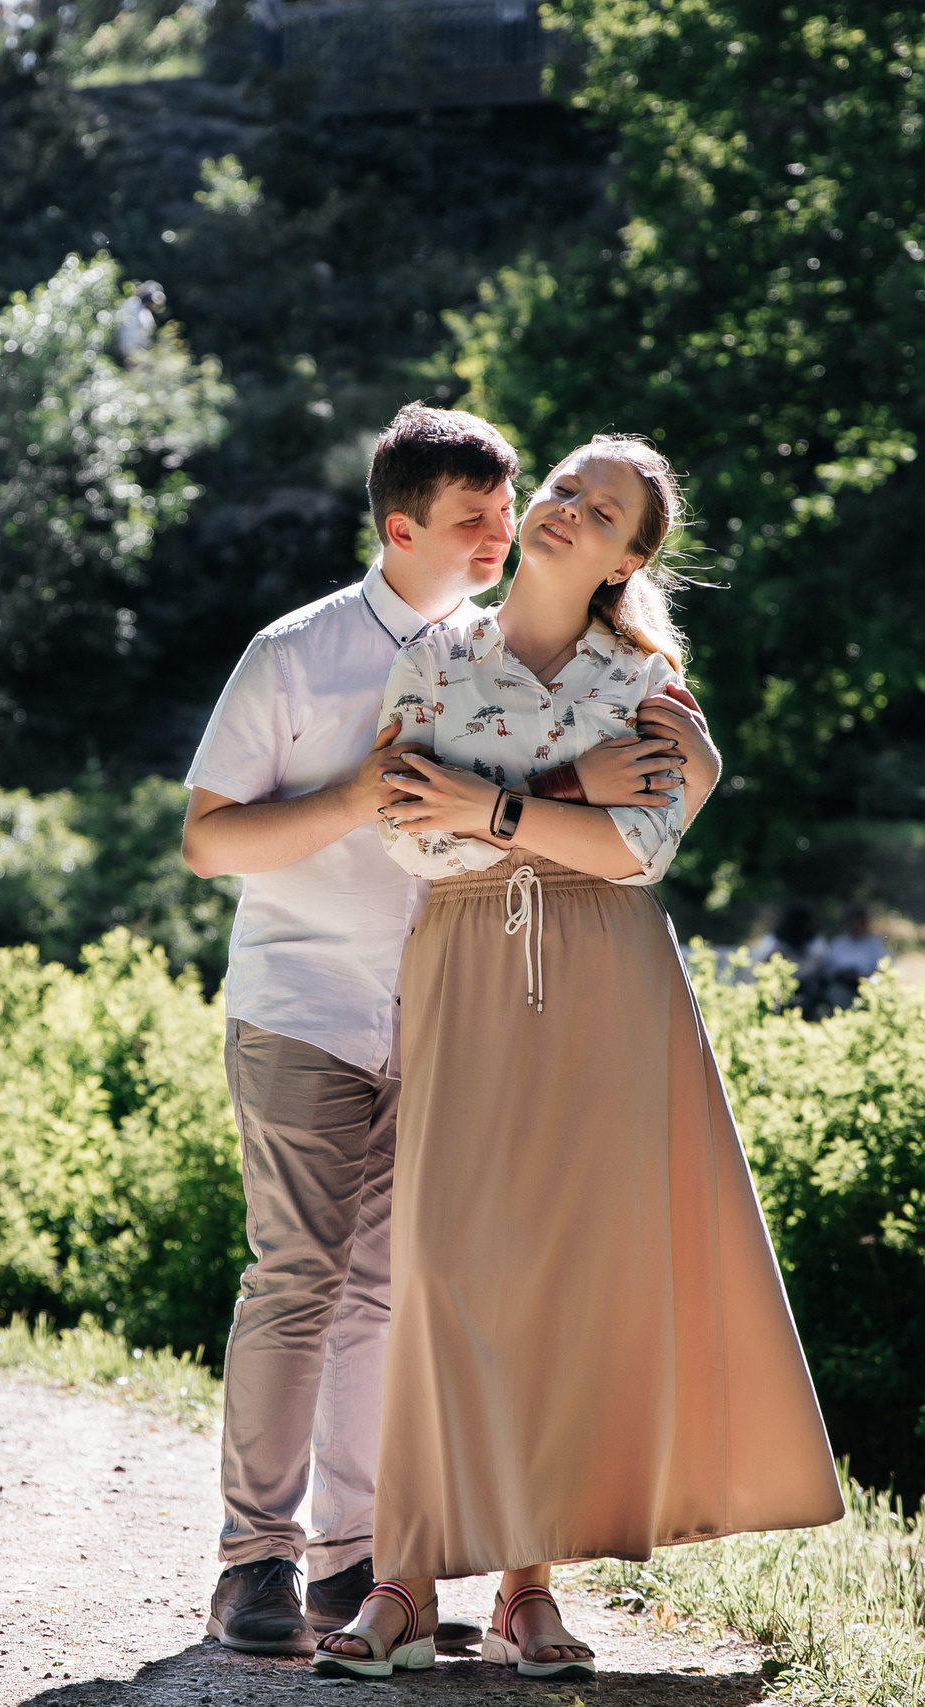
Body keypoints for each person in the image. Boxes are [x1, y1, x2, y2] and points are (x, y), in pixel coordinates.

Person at [180, 405, 716, 1656]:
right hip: (307, 1002)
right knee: (298, 1281)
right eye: (479, 513)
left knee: (392, 1290)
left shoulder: (506, 649)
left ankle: (356, 1560)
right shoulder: (295, 653)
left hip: (452, 1010)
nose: (507, 523)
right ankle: (252, 1560)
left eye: (511, 501)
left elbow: (602, 796)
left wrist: (659, 772)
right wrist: (382, 792)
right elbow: (210, 841)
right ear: (402, 525)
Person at [313, 433, 844, 1681]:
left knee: (558, 1279)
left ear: (625, 558)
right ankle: (401, 1577)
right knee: (446, 1267)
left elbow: (635, 851)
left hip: (606, 986)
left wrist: (493, 806)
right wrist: (560, 794)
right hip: (465, 972)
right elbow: (405, 830)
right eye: (561, 490)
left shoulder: (650, 685)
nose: (564, 513)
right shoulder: (435, 654)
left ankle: (525, 1589)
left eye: (600, 511)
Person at [816, 904, 890, 1011]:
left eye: (859, 923)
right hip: (843, 985)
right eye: (851, 923)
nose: (855, 927)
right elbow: (827, 968)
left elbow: (883, 968)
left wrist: (863, 974)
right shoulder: (838, 943)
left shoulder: (875, 944)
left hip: (868, 985)